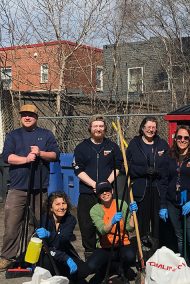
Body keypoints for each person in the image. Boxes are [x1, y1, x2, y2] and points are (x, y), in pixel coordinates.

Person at [0, 104, 60, 271]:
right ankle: (7, 257)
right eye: (24, 115)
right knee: (12, 223)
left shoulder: (46, 135)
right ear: (21, 117)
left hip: (39, 188)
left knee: (35, 225)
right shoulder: (13, 135)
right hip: (18, 188)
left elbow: (55, 155)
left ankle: (30, 257)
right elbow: (7, 157)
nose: (27, 117)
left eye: (30, 115)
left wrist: (40, 153)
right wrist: (26, 159)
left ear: (36, 117)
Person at [160, 125, 190, 284]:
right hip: (173, 203)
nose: (182, 140)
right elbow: (164, 182)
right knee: (180, 240)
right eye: (179, 137)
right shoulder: (169, 156)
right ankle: (186, 276)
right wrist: (163, 205)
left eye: (186, 138)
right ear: (175, 139)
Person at [73, 114, 123, 260]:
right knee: (87, 225)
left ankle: (108, 253)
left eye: (101, 126)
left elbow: (118, 166)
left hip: (106, 195)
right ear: (90, 128)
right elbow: (77, 169)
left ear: (105, 128)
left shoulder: (112, 147)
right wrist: (95, 185)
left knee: (107, 223)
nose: (98, 129)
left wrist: (105, 185)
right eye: (95, 126)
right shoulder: (81, 147)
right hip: (87, 193)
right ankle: (90, 254)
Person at [126, 116, 169, 250]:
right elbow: (126, 167)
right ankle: (143, 253)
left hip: (158, 189)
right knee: (143, 224)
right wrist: (143, 171)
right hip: (141, 190)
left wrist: (157, 171)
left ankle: (157, 252)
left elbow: (168, 167)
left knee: (158, 224)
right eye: (148, 127)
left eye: (153, 127)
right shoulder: (134, 144)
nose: (151, 130)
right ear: (142, 128)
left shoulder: (162, 144)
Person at [87, 181, 138, 283]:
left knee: (131, 256)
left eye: (107, 190)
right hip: (105, 247)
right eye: (101, 192)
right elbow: (102, 230)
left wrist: (133, 214)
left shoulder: (121, 204)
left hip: (122, 244)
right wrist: (112, 221)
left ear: (112, 191)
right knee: (91, 266)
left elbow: (130, 228)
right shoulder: (95, 210)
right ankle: (112, 269)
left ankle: (118, 269)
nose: (105, 194)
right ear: (98, 195)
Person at [36, 191, 90, 282]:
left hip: (62, 251)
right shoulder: (44, 219)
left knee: (84, 269)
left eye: (63, 203)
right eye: (57, 204)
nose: (61, 207)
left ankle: (65, 277)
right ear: (51, 208)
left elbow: (62, 240)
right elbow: (46, 248)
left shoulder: (70, 220)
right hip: (47, 255)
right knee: (47, 262)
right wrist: (65, 258)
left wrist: (49, 235)